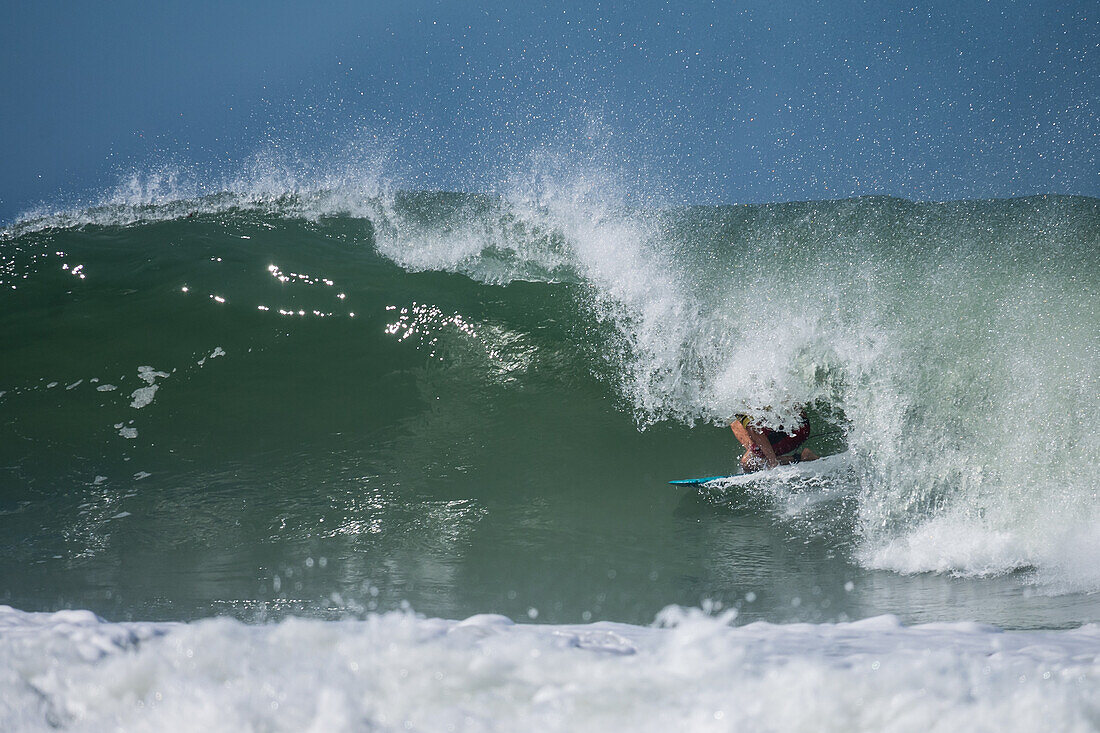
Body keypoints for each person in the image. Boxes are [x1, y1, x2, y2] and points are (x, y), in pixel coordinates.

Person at [730, 409, 819, 473]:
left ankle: (803, 457)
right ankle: (757, 452)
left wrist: (773, 463)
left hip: (794, 431)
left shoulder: (740, 400)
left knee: (748, 464)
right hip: (799, 424)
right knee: (735, 424)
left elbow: (754, 428)